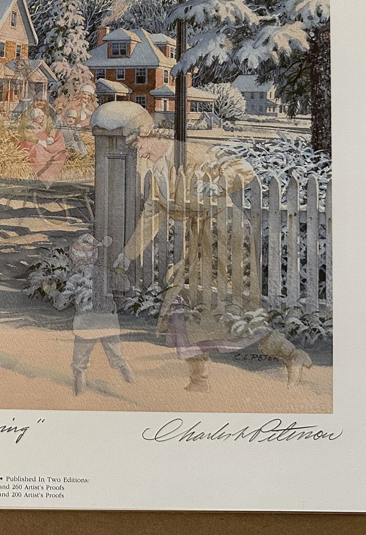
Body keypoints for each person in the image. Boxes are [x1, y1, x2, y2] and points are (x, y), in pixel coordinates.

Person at [113, 126, 313, 391]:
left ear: (157, 137)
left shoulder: (195, 153)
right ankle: (199, 380)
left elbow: (243, 168)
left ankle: (292, 355)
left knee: (231, 310)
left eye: (140, 145)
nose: (139, 152)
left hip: (227, 237)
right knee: (185, 304)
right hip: (201, 239)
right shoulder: (158, 173)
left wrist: (217, 185)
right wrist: (128, 255)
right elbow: (152, 214)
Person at [68, 232, 134, 395]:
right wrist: (120, 274)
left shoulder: (74, 277)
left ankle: (79, 392)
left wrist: (54, 293)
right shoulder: (105, 272)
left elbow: (62, 300)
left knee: (80, 362)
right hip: (108, 320)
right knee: (116, 356)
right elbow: (125, 286)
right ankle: (132, 382)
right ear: (95, 255)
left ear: (74, 256)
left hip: (85, 322)